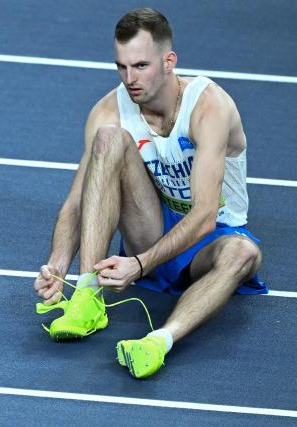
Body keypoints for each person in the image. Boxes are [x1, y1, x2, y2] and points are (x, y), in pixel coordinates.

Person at [33, 8, 267, 379]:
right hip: (152, 228)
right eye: (122, 67)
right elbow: (78, 199)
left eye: (141, 66)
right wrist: (58, 264)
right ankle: (87, 298)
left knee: (244, 254)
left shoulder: (209, 107)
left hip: (211, 236)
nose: (130, 79)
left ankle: (158, 342)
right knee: (108, 139)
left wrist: (140, 265)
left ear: (168, 61)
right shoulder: (109, 109)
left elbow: (205, 215)